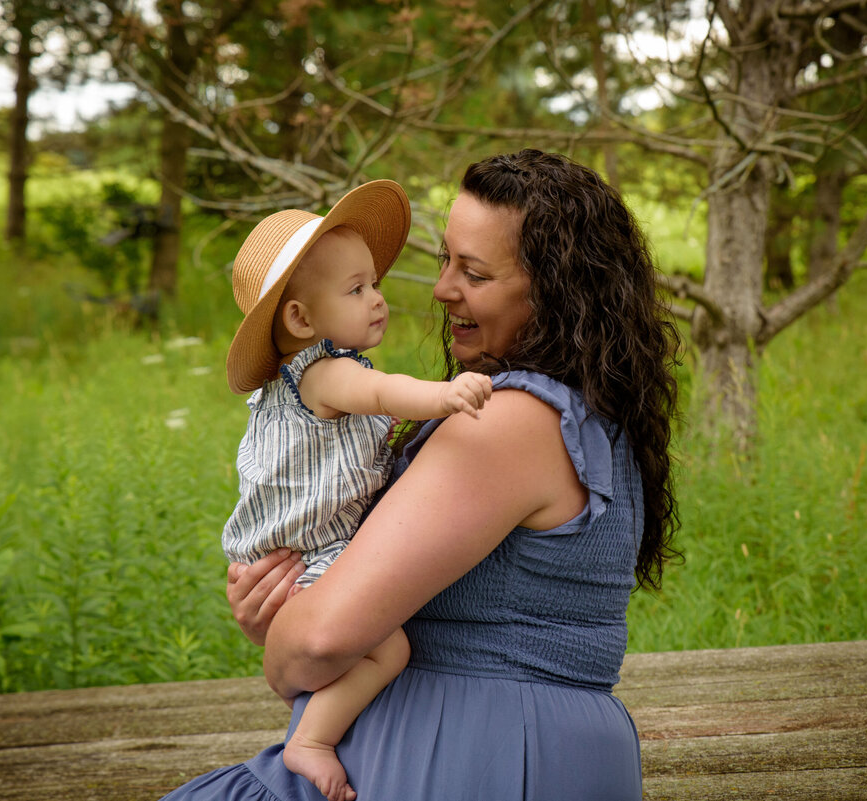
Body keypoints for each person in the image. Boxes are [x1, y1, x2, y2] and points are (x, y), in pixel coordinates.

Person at [160, 149, 680, 801]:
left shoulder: (506, 422)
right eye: (445, 259)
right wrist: (290, 612)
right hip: (515, 746)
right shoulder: (582, 415)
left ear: (553, 290)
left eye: (475, 271)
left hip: (474, 754)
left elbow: (320, 640)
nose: (441, 288)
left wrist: (283, 642)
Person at [219, 179, 493, 801]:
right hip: (314, 555)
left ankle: (319, 733)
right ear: (300, 319)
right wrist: (444, 397)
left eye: (374, 283)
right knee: (386, 650)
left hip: (303, 551)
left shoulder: (297, 384)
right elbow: (384, 392)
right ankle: (310, 741)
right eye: (357, 289)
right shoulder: (326, 373)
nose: (378, 299)